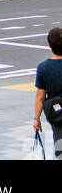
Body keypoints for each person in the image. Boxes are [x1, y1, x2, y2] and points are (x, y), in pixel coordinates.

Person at [33, 26, 62, 160]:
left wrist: (36, 119)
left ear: (49, 44)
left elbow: (40, 97)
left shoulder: (44, 67)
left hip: (57, 113)